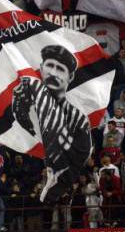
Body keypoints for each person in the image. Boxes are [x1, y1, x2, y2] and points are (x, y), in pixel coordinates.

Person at [12, 45, 92, 203]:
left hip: (56, 180)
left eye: (60, 69)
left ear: (71, 77)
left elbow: (83, 153)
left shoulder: (78, 119)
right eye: (50, 65)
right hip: (28, 176)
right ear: (41, 69)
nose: (53, 72)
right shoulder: (22, 97)